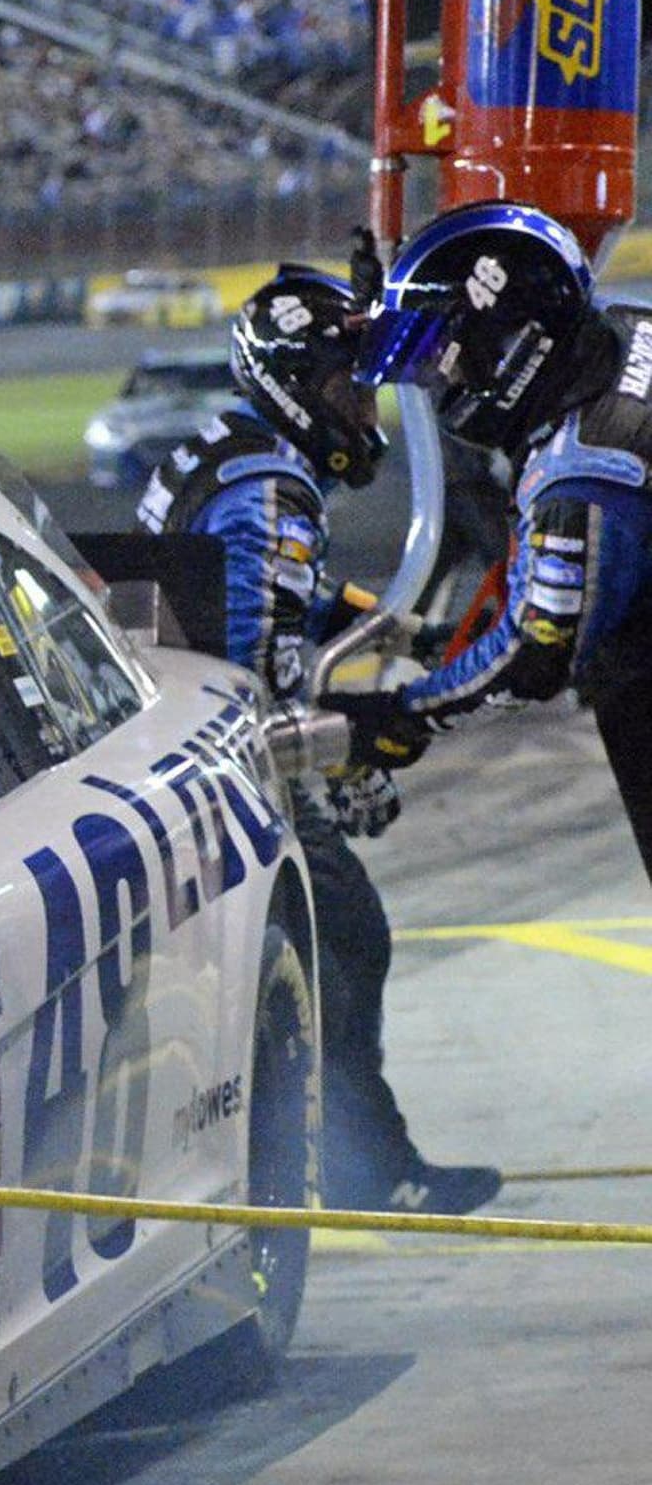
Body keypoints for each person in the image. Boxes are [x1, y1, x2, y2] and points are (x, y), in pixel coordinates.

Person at [138, 265, 498, 1215]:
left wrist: (397, 629)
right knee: (342, 939)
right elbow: (255, 663)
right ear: (294, 384)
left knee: (325, 951)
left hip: (174, 748)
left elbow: (274, 609)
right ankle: (360, 1169)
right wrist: (334, 774)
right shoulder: (272, 491)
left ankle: (350, 1164)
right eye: (345, 384)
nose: (361, 405)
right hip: (228, 768)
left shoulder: (238, 454)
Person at [361, 202, 652, 882]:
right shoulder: (624, 326)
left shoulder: (581, 472)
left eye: (444, 357)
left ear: (509, 342)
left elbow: (533, 654)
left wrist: (408, 712)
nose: (441, 383)